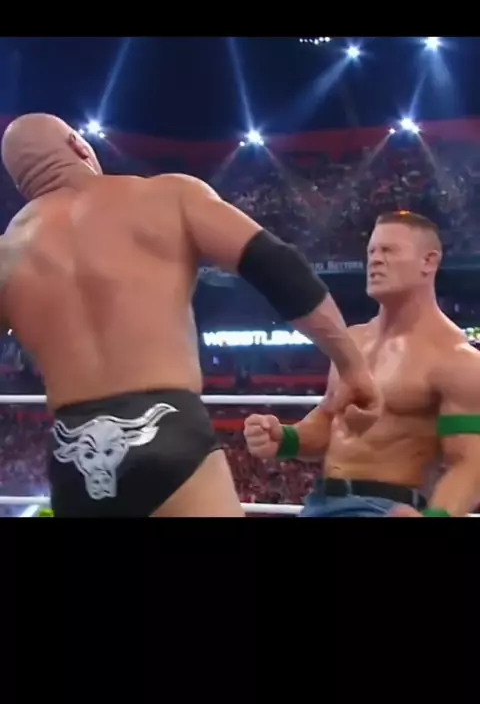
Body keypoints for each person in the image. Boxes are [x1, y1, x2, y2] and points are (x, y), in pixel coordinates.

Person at [0, 113, 377, 518]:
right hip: (166, 427)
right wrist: (351, 365)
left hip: (73, 449)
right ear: (79, 144)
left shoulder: (7, 255)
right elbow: (278, 267)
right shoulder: (168, 196)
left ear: (22, 183)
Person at [244, 211, 480, 518]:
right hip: (319, 502)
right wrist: (284, 438)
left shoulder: (457, 359)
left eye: (389, 250)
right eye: (372, 251)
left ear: (428, 261)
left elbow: (470, 464)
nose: (375, 260)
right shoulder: (352, 341)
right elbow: (328, 420)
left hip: (385, 509)